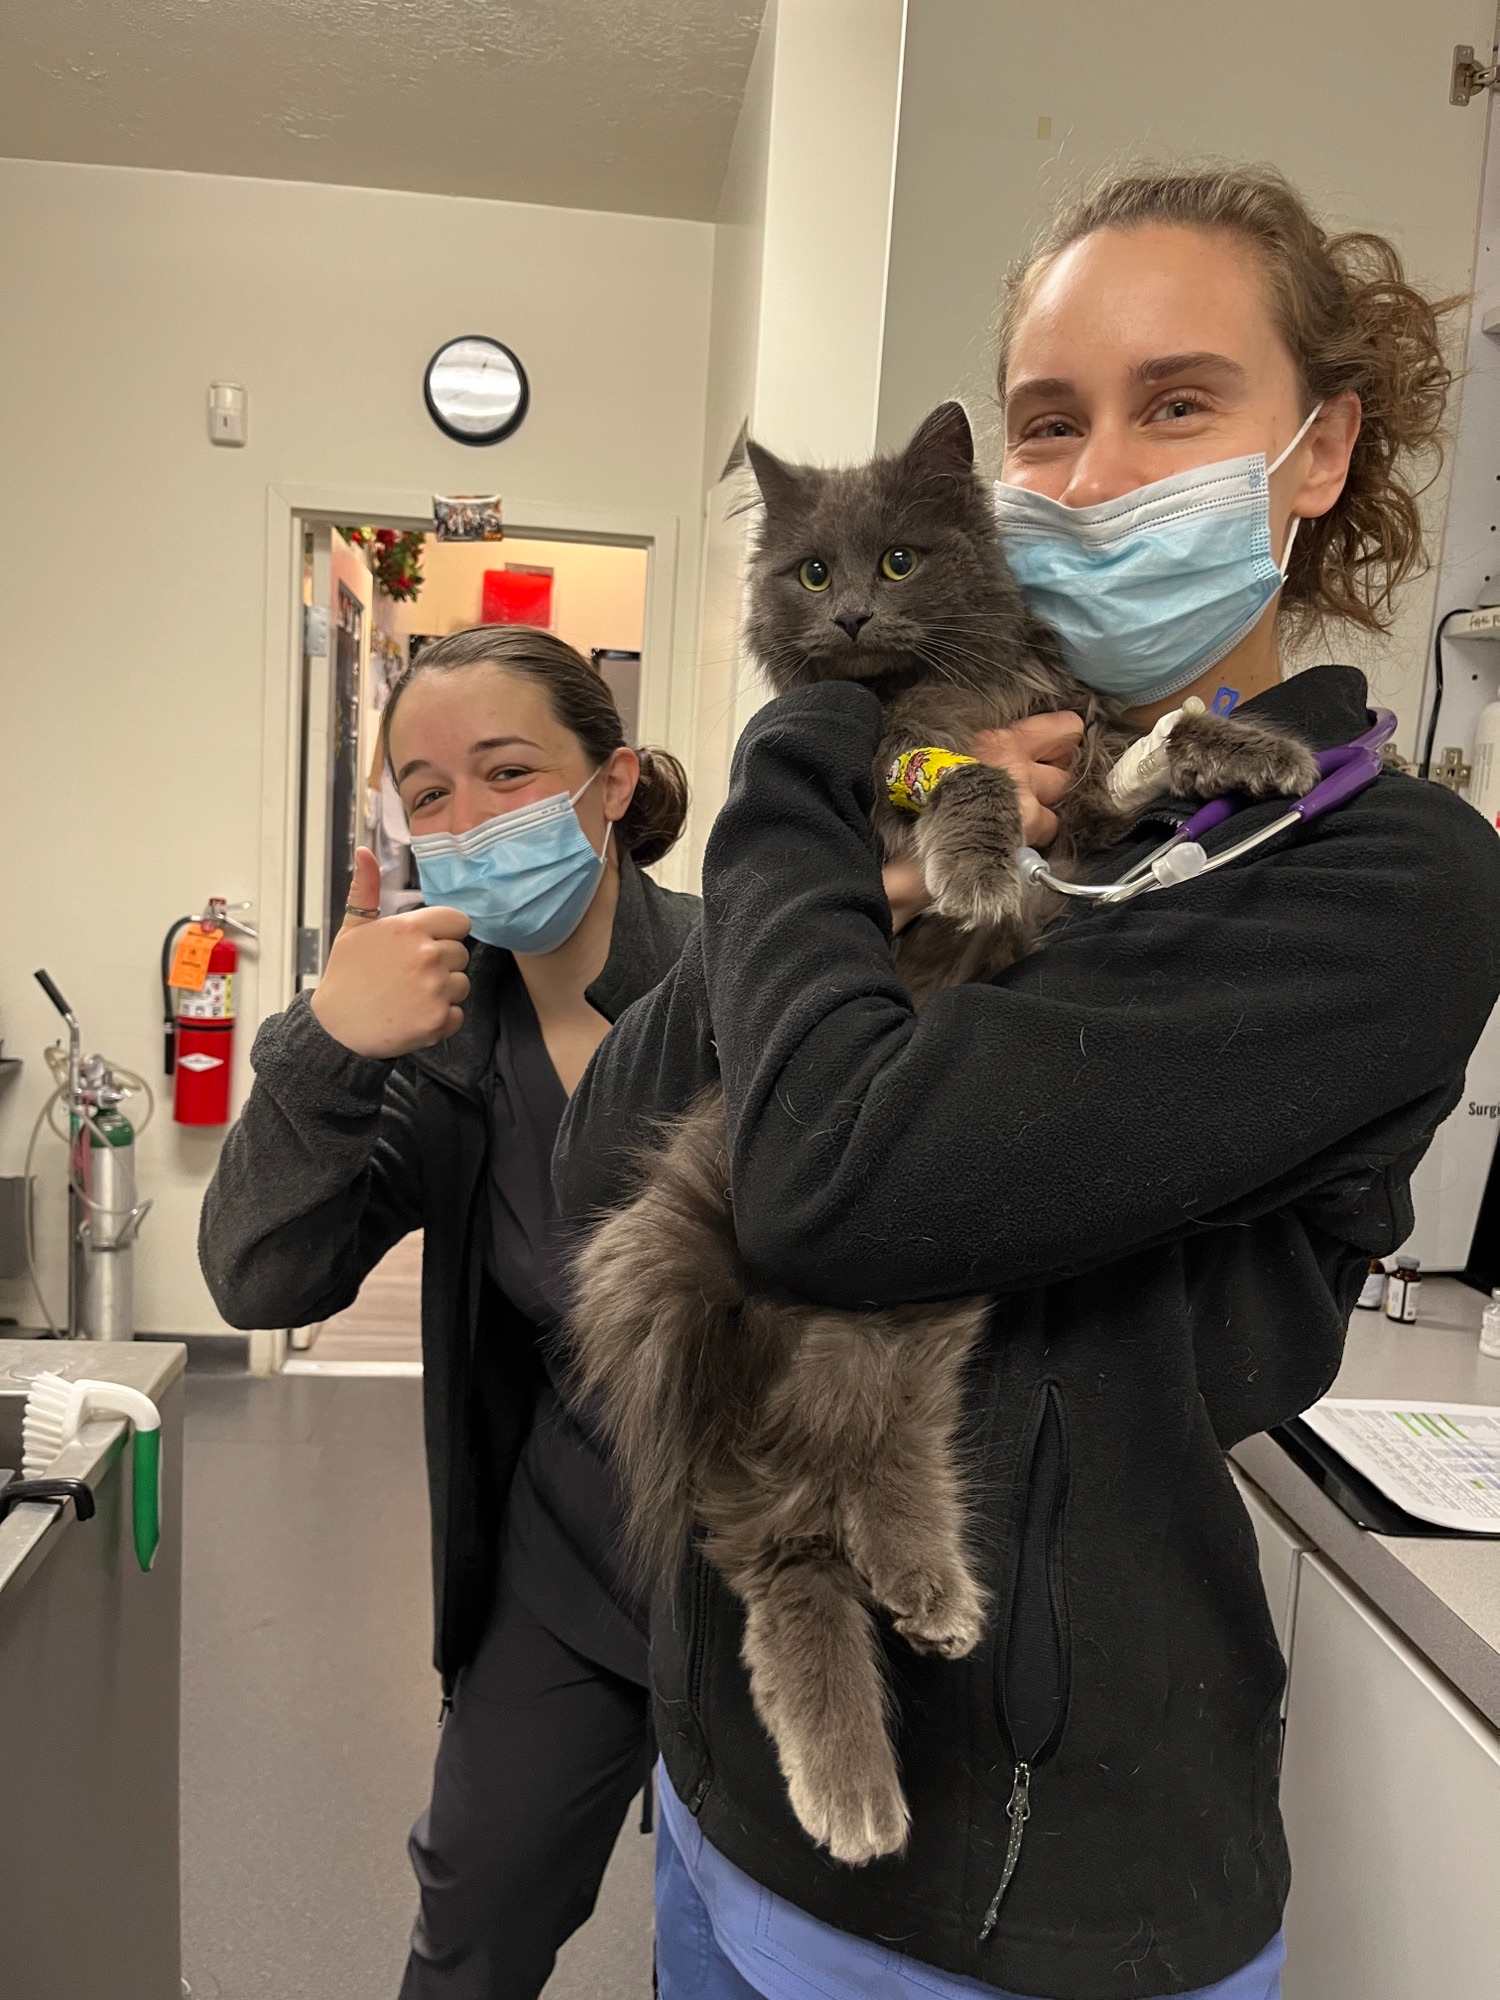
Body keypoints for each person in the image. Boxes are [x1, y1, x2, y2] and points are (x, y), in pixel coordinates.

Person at [553, 165, 1500, 2000]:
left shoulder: (1384, 877)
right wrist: (863, 838)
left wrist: (797, 787)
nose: (1097, 476)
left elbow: (831, 1188)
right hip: (724, 1785)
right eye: (1050, 423)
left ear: (1316, 450)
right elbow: (602, 1160)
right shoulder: (977, 764)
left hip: (1030, 1894)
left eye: (1179, 406)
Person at [199, 625, 699, 1998]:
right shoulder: (445, 1047)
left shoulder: (743, 977)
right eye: (429, 794)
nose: (468, 820)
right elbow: (259, 1281)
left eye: (507, 772)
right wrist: (325, 1045)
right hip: (569, 1552)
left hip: (772, 1564)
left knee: (744, 1941)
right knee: (474, 1918)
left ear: (613, 783)